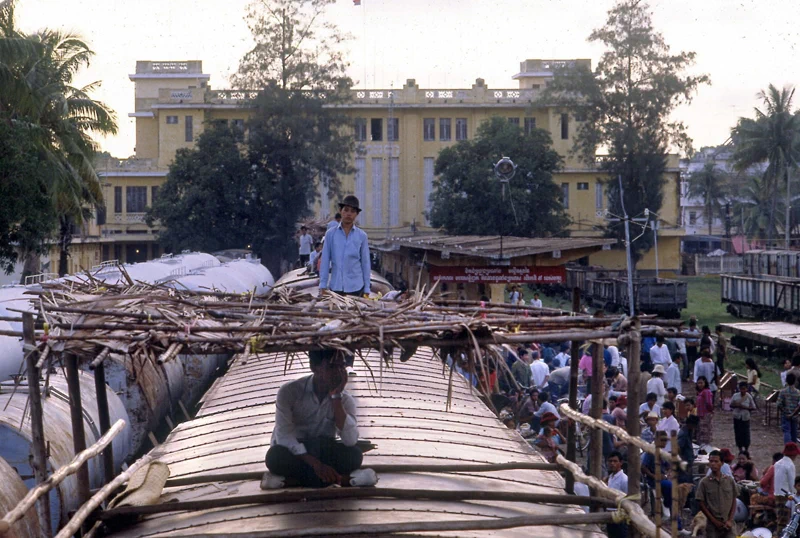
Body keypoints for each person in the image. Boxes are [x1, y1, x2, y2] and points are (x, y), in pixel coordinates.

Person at [263, 349, 377, 489]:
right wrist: (317, 465)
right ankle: (342, 480)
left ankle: (289, 482)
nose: (338, 372)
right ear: (314, 367)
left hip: (322, 448)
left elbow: (350, 440)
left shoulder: (345, 400)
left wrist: (336, 398)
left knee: (354, 455)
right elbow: (284, 436)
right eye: (331, 367)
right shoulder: (289, 392)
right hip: (296, 452)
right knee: (275, 457)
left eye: (341, 367)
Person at [696, 449, 738, 538]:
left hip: (728, 523)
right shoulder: (704, 482)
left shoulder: (729, 480)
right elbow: (701, 503)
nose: (713, 464)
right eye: (711, 461)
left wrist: (730, 520)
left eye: (716, 461)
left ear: (722, 463)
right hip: (713, 526)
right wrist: (714, 521)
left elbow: (734, 500)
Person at [641, 432, 673, 518]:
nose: (664, 443)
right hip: (653, 480)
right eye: (662, 440)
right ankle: (667, 506)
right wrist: (653, 475)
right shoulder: (651, 452)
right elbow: (643, 467)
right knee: (669, 486)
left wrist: (667, 474)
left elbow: (668, 466)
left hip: (663, 478)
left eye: (665, 440)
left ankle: (670, 509)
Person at [605, 451, 629, 538]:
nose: (612, 464)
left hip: (620, 517)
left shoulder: (624, 479)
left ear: (621, 463)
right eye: (610, 461)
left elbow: (628, 499)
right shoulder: (610, 477)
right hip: (610, 514)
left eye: (615, 461)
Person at [730, 380, 756, 452]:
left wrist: (745, 407)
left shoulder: (749, 397)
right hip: (737, 417)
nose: (743, 390)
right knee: (738, 433)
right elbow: (731, 405)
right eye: (741, 389)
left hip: (745, 417)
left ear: (747, 389)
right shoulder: (735, 396)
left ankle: (746, 448)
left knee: (746, 433)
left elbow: (753, 407)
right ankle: (740, 448)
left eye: (744, 389)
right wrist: (737, 405)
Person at [780, 373, 800, 443]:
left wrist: (783, 411)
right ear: (794, 381)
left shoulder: (782, 392)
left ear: (786, 381)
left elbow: (779, 404)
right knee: (794, 432)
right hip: (795, 415)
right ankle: (794, 448)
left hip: (785, 414)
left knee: (786, 431)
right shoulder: (798, 392)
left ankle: (787, 447)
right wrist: (793, 414)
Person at [696, 375, 714, 446]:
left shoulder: (706, 392)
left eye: (701, 383)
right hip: (700, 415)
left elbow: (709, 403)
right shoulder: (700, 392)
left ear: (705, 383)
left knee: (705, 434)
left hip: (705, 415)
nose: (700, 385)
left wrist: (710, 411)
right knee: (701, 433)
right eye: (698, 383)